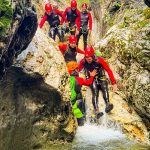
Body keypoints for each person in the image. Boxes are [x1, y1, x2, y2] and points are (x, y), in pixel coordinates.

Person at [78, 46, 117, 119]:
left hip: (100, 76)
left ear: (93, 56)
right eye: (87, 58)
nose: (88, 59)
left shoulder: (99, 60)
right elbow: (76, 70)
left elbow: (108, 70)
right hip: (91, 77)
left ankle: (107, 104)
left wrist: (113, 83)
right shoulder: (83, 62)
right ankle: (96, 110)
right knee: (95, 92)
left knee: (104, 87)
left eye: (89, 57)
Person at [67, 61, 97, 126]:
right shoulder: (79, 79)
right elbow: (88, 83)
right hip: (78, 102)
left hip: (70, 103)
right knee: (81, 122)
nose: (78, 70)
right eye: (77, 69)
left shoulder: (67, 78)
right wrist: (92, 76)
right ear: (74, 70)